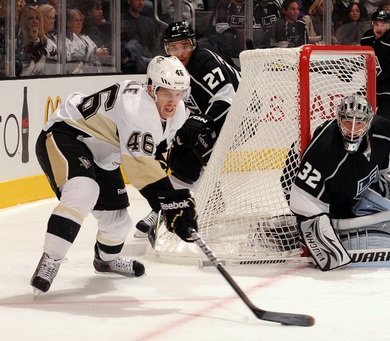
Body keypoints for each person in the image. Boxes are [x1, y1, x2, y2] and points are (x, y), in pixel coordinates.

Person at [31, 56, 198, 295]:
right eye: (166, 93)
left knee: (118, 223)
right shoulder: (137, 107)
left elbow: (156, 156)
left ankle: (106, 261)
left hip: (105, 154)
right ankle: (51, 259)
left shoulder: (177, 112)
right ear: (151, 88)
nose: (173, 101)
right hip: (67, 135)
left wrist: (172, 202)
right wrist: (171, 203)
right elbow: (139, 166)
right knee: (83, 191)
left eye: (178, 93)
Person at [284, 95, 390, 271]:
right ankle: (290, 232)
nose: (352, 129)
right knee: (378, 239)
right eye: (348, 122)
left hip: (353, 190)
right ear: (339, 119)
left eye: (359, 123)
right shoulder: (326, 153)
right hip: (320, 200)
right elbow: (304, 201)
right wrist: (326, 248)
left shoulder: (381, 131)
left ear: (369, 122)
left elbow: (389, 165)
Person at [134, 21, 241, 237]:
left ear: (193, 44)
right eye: (174, 48)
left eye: (185, 46)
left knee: (189, 157)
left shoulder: (204, 62)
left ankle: (162, 209)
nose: (181, 53)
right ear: (166, 49)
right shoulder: (174, 69)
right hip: (218, 115)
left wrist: (203, 120)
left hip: (242, 115)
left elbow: (227, 98)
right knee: (181, 151)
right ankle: (212, 198)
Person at [66, 8, 109, 73]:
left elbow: (96, 51)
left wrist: (102, 51)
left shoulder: (85, 37)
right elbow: (74, 57)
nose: (79, 23)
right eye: (76, 20)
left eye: (81, 20)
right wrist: (95, 53)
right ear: (68, 23)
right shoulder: (65, 39)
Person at [16, 5, 47, 76]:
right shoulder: (16, 41)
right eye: (30, 18)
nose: (35, 21)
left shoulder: (44, 42)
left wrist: (35, 39)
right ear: (23, 21)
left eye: (37, 18)